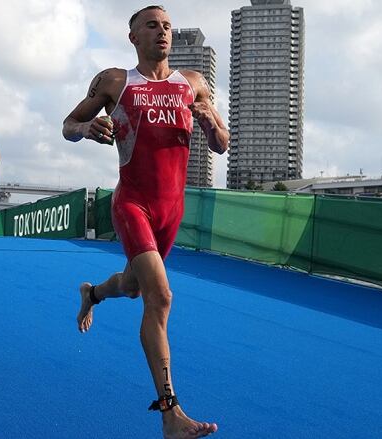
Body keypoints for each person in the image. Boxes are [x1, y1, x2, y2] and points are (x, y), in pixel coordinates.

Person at [62, 6, 229, 438]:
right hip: (132, 202)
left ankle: (93, 292)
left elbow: (222, 144)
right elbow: (69, 124)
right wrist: (87, 128)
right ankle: (170, 413)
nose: (163, 32)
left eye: (167, 26)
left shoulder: (192, 83)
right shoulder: (115, 81)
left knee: (134, 286)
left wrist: (212, 125)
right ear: (133, 35)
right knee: (161, 298)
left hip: (173, 209)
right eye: (152, 25)